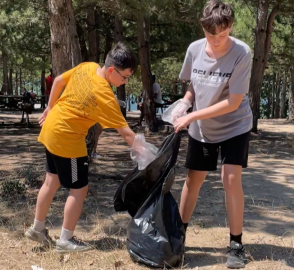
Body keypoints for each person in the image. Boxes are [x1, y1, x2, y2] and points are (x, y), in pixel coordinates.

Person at [25, 42, 157, 253]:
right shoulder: (104, 95)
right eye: (124, 78)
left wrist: (50, 107)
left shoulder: (87, 66)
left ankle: (37, 229)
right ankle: (65, 240)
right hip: (68, 139)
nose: (124, 82)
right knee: (79, 189)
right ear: (112, 70)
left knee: (51, 181)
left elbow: (58, 81)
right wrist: (149, 156)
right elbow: (126, 134)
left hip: (52, 129)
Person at [172, 1, 252, 268]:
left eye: (223, 34)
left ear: (231, 27)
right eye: (211, 35)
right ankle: (178, 237)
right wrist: (185, 102)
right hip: (203, 128)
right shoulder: (194, 49)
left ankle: (236, 244)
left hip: (234, 125)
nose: (217, 40)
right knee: (193, 179)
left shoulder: (242, 52)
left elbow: (233, 101)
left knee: (230, 178)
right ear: (202, 28)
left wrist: (192, 114)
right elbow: (194, 86)